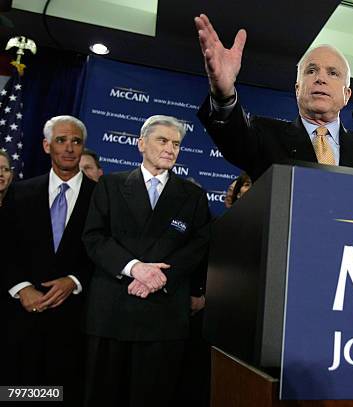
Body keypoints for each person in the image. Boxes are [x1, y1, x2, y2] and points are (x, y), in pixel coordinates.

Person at [82, 115, 211, 407]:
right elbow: (94, 238)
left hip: (163, 316)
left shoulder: (192, 195)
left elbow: (199, 245)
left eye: (176, 144)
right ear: (141, 144)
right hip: (112, 313)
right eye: (162, 140)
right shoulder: (110, 186)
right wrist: (135, 268)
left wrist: (160, 278)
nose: (170, 149)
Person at [194, 14, 353, 181]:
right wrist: (223, 94)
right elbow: (233, 137)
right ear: (297, 89)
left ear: (347, 95)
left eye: (332, 73)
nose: (320, 78)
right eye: (311, 71)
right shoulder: (264, 136)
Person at [1, 115, 96, 405]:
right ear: (46, 146)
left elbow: (106, 250)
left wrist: (75, 281)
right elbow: (4, 247)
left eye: (76, 141)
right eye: (61, 140)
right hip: (22, 318)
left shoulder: (102, 196)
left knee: (62, 395)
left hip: (74, 321)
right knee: (18, 395)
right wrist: (21, 287)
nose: (69, 148)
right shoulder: (20, 191)